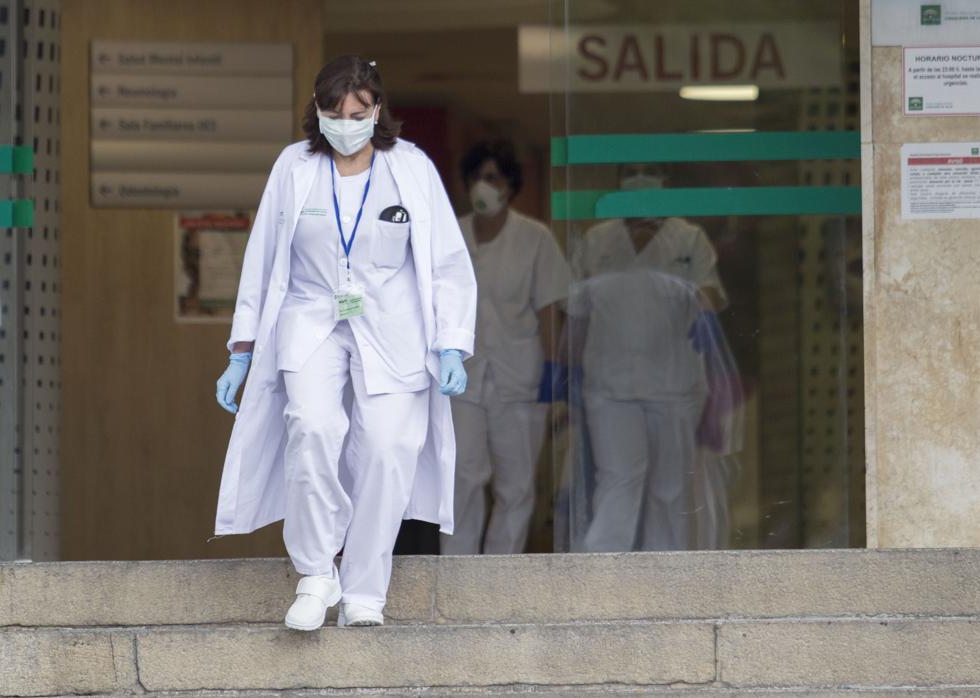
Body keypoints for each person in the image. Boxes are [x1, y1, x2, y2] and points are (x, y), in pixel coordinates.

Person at [209, 56, 476, 631]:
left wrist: (452, 342)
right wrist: (242, 350)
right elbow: (262, 261)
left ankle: (364, 591)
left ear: (376, 110)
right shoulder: (294, 166)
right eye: (334, 113)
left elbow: (448, 262)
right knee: (311, 426)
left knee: (385, 450)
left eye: (358, 113)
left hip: (393, 326)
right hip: (310, 317)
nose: (346, 123)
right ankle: (316, 571)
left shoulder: (411, 168)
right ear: (318, 111)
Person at [569, 162, 728, 552]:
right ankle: (600, 577)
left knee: (670, 489)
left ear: (667, 182)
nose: (640, 177)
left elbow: (710, 289)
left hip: (674, 383)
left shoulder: (688, 238)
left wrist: (707, 316)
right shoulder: (597, 239)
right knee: (619, 478)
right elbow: (575, 311)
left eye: (650, 169)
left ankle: (665, 582)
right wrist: (563, 366)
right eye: (631, 170)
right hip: (608, 385)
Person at [442, 140, 570, 555]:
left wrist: (555, 368)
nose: (483, 186)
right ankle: (457, 572)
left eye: (492, 178)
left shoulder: (535, 239)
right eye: (477, 178)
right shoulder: (450, 235)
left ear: (510, 186)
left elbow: (550, 307)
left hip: (521, 379)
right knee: (463, 475)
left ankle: (499, 577)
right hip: (462, 377)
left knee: (515, 485)